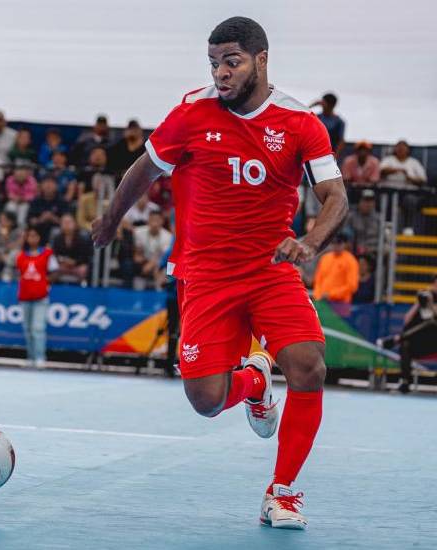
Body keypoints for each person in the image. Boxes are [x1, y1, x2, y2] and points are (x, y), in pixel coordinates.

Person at [91, 17, 348, 529]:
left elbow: (336, 197)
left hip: (271, 268)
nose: (221, 73)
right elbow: (143, 169)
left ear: (261, 60)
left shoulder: (300, 123)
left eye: (232, 61)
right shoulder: (191, 113)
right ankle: (255, 382)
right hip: (204, 274)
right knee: (205, 401)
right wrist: (111, 217)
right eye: (214, 63)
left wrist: (311, 242)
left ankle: (283, 491)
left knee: (309, 366)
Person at [378, 275, 437, 394]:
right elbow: (406, 319)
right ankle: (405, 382)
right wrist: (418, 303)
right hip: (421, 342)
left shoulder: (432, 304)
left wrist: (431, 305)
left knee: (429, 325)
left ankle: (395, 339)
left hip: (434, 343)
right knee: (405, 345)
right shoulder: (424, 300)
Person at [16, 226, 58, 368]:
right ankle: (31, 357)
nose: (32, 238)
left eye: (35, 235)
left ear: (39, 237)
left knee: (37, 328)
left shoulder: (46, 254)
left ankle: (40, 357)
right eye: (30, 236)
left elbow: (54, 271)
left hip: (40, 297)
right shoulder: (22, 255)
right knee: (27, 329)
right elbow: (17, 272)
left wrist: (46, 283)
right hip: (25, 297)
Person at [312, 234, 359, 304]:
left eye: (339, 243)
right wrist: (317, 295)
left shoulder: (350, 260)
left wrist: (331, 294)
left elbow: (352, 286)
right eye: (333, 243)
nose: (336, 246)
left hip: (341, 303)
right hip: (322, 301)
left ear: (345, 244)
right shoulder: (325, 258)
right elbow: (318, 280)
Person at [309, 92, 345, 156]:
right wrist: (312, 105)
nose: (321, 104)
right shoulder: (317, 117)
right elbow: (304, 115)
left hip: (329, 154)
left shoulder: (339, 122)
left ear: (331, 105)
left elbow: (341, 141)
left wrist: (335, 156)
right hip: (315, 152)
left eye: (323, 102)